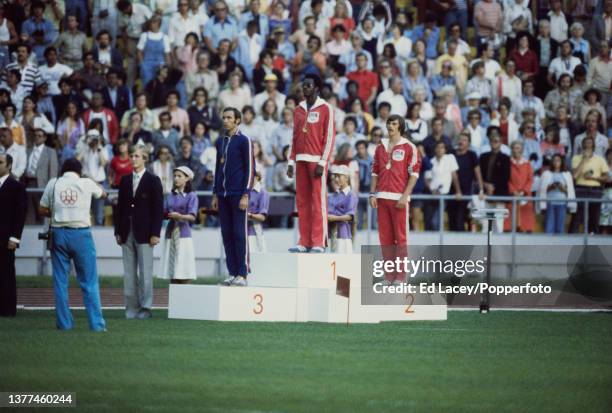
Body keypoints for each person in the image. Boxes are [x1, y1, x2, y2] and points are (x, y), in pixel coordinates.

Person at [38, 158, 106, 331]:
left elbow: (41, 209)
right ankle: (96, 325)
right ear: (79, 170)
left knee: (60, 281)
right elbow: (102, 194)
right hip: (81, 233)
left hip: (58, 233)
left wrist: (60, 211)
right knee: (89, 281)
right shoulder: (86, 182)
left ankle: (64, 324)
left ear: (63, 170)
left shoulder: (54, 183)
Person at [369, 115, 421, 285]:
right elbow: (375, 172)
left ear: (401, 127)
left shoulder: (409, 147)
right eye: (388, 123)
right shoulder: (380, 147)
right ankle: (389, 277)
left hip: (399, 199)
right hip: (382, 197)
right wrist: (372, 194)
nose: (390, 126)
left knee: (401, 239)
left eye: (394, 123)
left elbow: (414, 174)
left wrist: (405, 196)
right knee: (385, 239)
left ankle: (401, 277)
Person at [287, 74, 335, 253]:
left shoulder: (325, 108)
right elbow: (294, 137)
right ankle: (304, 240)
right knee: (302, 202)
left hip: (316, 160)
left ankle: (318, 242)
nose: (305, 88)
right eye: (303, 85)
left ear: (316, 88)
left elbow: (329, 137)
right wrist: (291, 161)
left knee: (318, 201)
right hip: (300, 159)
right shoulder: (298, 109)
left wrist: (323, 161)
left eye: (308, 86)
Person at [115, 145, 164, 319]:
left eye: (137, 156)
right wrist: (117, 231)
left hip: (145, 232)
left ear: (145, 159)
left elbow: (158, 209)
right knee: (129, 273)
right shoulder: (125, 180)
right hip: (126, 230)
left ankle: (146, 307)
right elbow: (119, 207)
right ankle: (131, 308)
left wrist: (155, 233)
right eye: (132, 155)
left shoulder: (153, 180)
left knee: (145, 272)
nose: (133, 159)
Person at [212, 107, 254, 287]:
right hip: (222, 195)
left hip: (238, 194)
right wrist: (215, 192)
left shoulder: (244, 140)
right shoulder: (220, 141)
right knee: (226, 234)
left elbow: (251, 169)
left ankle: (242, 274)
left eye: (229, 117)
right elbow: (217, 168)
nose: (225, 120)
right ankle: (232, 272)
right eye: (224, 117)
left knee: (239, 234)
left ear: (237, 120)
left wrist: (246, 193)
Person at [159, 166, 198, 284]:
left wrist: (179, 217)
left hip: (184, 236)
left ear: (187, 179)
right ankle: (174, 299)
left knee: (184, 270)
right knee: (172, 270)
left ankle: (185, 297)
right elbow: (164, 212)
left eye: (179, 176)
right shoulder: (170, 195)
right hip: (170, 234)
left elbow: (192, 217)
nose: (176, 178)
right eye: (175, 176)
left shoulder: (192, 196)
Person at [0, 154, 27, 317]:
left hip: (6, 239)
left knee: (6, 274)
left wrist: (15, 238)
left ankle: (8, 310)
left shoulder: (17, 187)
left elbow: (20, 214)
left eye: (0, 162)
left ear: (9, 166)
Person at [570, 136, 610, 234]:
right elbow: (574, 176)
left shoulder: (600, 159)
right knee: (577, 216)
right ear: (582, 145)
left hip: (595, 190)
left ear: (593, 145)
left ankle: (593, 240)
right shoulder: (576, 158)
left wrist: (593, 178)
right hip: (580, 189)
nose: (588, 144)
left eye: (590, 143)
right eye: (586, 142)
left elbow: (607, 178)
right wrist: (584, 160)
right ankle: (572, 240)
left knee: (594, 217)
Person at [479, 127, 511, 233]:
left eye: (496, 141)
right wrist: (485, 185)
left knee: (498, 223)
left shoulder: (505, 158)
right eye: (492, 141)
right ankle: (484, 248)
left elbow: (505, 177)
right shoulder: (483, 156)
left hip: (499, 194)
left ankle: (499, 248)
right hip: (485, 193)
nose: (494, 143)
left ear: (501, 142)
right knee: (485, 223)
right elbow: (479, 175)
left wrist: (493, 186)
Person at [24, 128, 58, 224]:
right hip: (28, 183)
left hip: (42, 186)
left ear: (44, 138)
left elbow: (53, 173)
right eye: (35, 135)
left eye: (40, 136)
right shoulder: (28, 151)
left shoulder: (50, 152)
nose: (37, 137)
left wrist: (50, 188)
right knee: (29, 212)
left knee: (42, 213)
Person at [539, 154, 575, 234]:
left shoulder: (567, 174)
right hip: (550, 202)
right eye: (554, 160)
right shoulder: (546, 173)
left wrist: (563, 189)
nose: (556, 162)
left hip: (562, 203)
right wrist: (551, 187)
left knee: (560, 228)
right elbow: (542, 190)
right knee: (549, 227)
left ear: (562, 162)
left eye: (558, 160)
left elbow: (570, 191)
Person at [504, 140, 535, 233]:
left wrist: (523, 191)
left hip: (525, 197)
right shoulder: (508, 163)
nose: (515, 150)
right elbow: (505, 179)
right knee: (509, 225)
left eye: (517, 148)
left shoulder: (527, 163)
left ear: (521, 150)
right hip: (511, 196)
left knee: (525, 225)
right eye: (513, 148)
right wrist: (513, 191)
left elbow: (530, 179)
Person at [328, 164, 358, 253]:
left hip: (343, 233)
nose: (336, 179)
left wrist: (335, 218)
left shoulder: (351, 195)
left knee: (343, 256)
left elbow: (350, 216)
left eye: (339, 176)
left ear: (346, 178)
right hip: (331, 232)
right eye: (335, 176)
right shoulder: (333, 195)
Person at [247, 169, 269, 253]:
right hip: (241, 230)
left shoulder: (263, 193)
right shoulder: (243, 191)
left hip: (254, 232)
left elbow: (262, 217)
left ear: (257, 177)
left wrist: (249, 215)